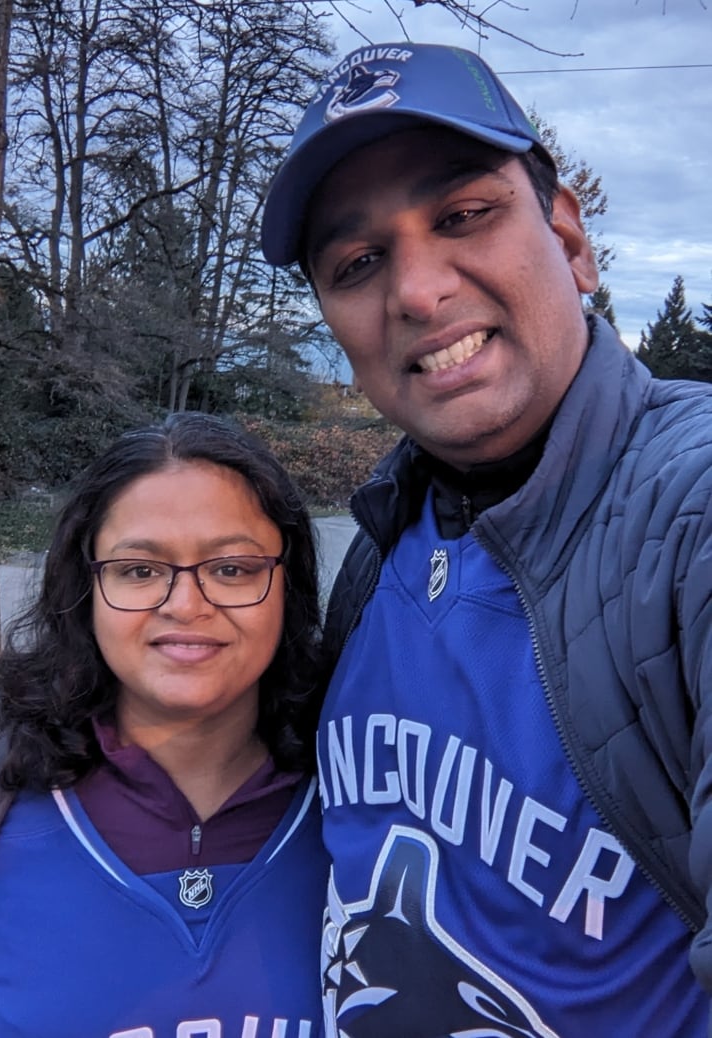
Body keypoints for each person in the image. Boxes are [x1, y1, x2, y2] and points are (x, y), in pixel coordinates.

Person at [260, 41, 712, 1037]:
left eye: (464, 215)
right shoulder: (387, 534)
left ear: (570, 239)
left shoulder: (690, 511)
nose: (416, 292)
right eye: (358, 262)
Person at [0, 411, 327, 1038]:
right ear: (84, 590)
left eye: (232, 568)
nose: (185, 605)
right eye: (140, 571)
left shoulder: (362, 794)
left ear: (289, 584)